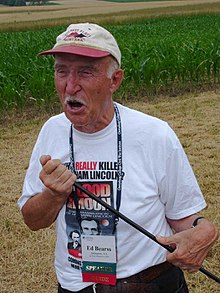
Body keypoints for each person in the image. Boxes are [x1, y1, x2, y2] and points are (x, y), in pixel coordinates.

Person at [18, 23, 219, 293]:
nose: (70, 85)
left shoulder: (154, 134)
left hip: (148, 284)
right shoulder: (52, 131)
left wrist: (204, 230)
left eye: (86, 72)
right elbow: (33, 220)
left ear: (115, 80)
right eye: (61, 70)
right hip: (75, 286)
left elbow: (183, 217)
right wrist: (54, 195)